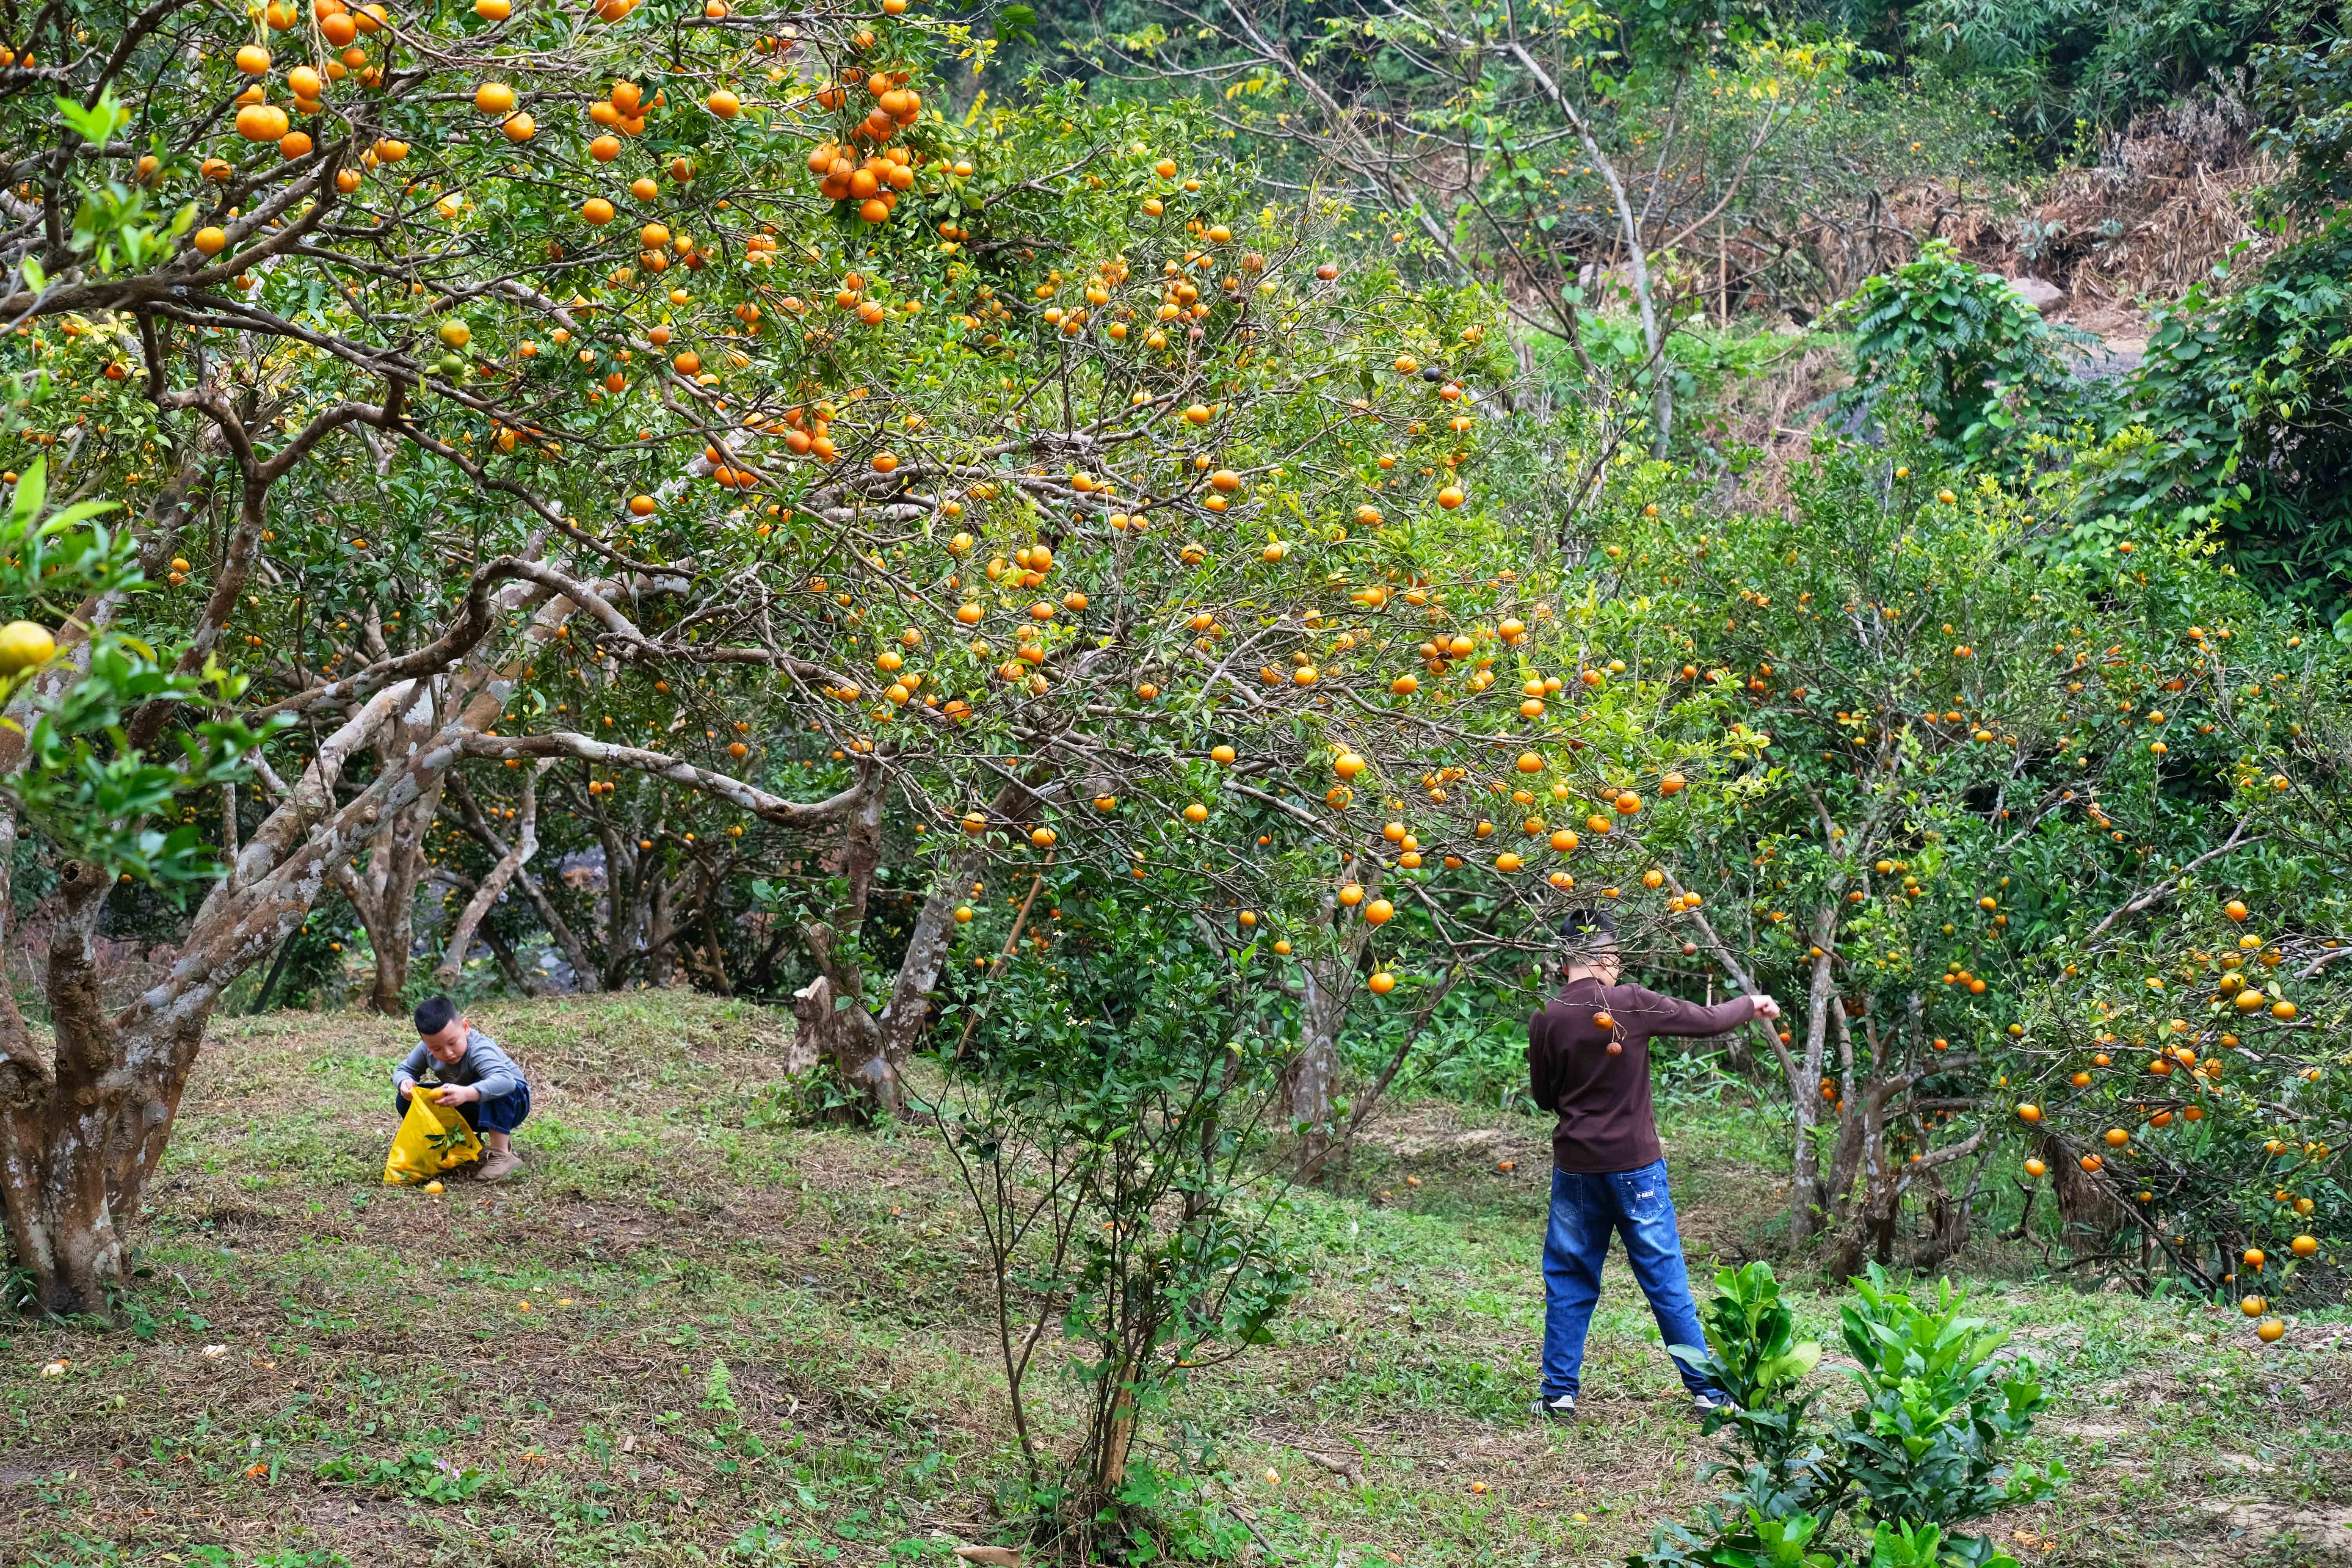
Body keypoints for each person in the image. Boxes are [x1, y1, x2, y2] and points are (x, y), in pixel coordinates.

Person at [1525, 909, 1780, 1421]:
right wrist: (1751, 1004)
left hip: (1576, 1169)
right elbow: (1706, 1021)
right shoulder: (1632, 1003)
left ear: (1565, 958)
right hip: (1636, 1168)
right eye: (1617, 958)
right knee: (1664, 1278)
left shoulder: (1547, 1015)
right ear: (1603, 957)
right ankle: (1708, 1393)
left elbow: (1545, 1098)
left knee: (1570, 1277)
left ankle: (1558, 1395)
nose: (1618, 968)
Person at [394, 995, 532, 1184]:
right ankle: (463, 1146)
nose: (448, 1053)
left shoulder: (479, 1049)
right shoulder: (426, 1049)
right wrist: (405, 1082)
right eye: (437, 1049)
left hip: (513, 1103)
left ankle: (502, 1155)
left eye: (452, 1043)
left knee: (495, 1085)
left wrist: (466, 1093)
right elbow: (404, 1070)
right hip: (472, 1104)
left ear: (465, 1027)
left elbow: (506, 1082)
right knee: (410, 1099)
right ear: (426, 1043)